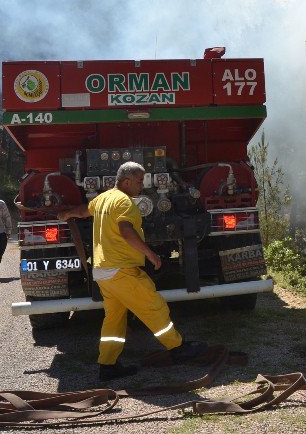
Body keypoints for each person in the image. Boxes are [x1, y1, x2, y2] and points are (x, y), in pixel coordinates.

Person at [58, 161, 207, 381]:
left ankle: (107, 366)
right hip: (121, 270)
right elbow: (126, 231)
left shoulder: (103, 198)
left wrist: (66, 214)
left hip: (102, 271)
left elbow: (82, 211)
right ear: (126, 181)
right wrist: (151, 254)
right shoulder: (125, 202)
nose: (141, 186)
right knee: (153, 306)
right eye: (139, 181)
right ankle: (178, 348)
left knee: (114, 319)